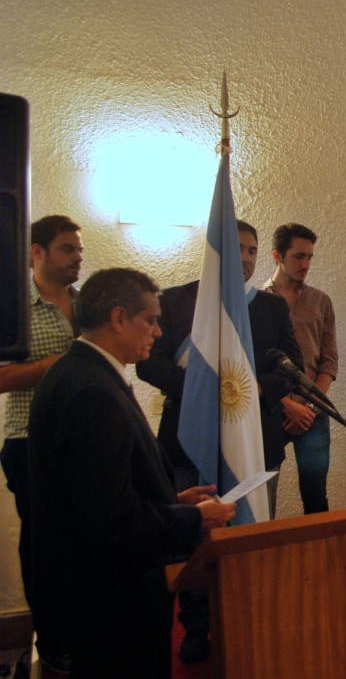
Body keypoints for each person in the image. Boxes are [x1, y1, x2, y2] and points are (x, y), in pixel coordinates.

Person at [27, 268, 235, 679]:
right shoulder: (92, 391)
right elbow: (110, 519)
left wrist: (173, 501)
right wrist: (193, 518)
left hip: (100, 592)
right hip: (110, 601)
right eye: (151, 320)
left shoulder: (82, 371)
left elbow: (100, 490)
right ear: (119, 318)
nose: (158, 332)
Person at [135, 220, 304, 662]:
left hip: (255, 441)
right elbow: (149, 364)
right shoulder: (176, 301)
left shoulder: (270, 308)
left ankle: (250, 618)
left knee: (251, 533)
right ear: (214, 252)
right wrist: (202, 390)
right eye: (237, 248)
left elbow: (292, 367)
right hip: (188, 442)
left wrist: (249, 390)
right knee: (193, 538)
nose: (245, 258)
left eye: (252, 250)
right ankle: (197, 624)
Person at [0, 215, 81, 674]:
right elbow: (1, 377)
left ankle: (84, 632)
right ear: (37, 252)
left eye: (78, 249)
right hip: (29, 441)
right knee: (44, 548)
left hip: (84, 440)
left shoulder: (87, 304)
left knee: (86, 542)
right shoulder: (14, 308)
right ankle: (51, 643)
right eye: (67, 248)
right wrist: (61, 364)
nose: (77, 257)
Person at [262, 223, 337, 514]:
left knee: (316, 498)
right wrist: (286, 404)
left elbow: (329, 360)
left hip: (313, 413)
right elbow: (252, 364)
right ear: (277, 256)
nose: (306, 264)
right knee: (263, 497)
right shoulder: (257, 302)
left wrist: (309, 405)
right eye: (298, 256)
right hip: (271, 410)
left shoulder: (321, 301)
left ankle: (320, 547)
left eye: (309, 257)